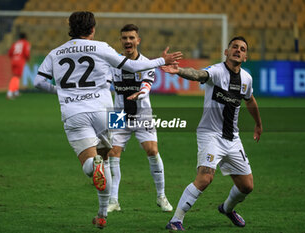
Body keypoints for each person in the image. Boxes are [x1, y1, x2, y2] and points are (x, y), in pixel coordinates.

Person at [33, 11, 182, 229]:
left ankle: (154, 194)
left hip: (78, 113)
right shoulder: (101, 48)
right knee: (106, 158)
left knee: (95, 164)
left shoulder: (56, 53)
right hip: (106, 112)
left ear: (70, 28)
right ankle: (104, 212)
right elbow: (131, 67)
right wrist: (161, 60)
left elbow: (38, 82)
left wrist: (59, 91)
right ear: (92, 29)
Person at [162, 36, 262, 231]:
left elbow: (249, 100)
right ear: (226, 51)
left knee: (247, 186)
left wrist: (258, 124)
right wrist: (179, 71)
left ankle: (226, 209)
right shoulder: (216, 71)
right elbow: (198, 74)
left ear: (246, 57)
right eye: (234, 47)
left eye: (242, 49)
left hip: (232, 138)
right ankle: (176, 220)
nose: (238, 50)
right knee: (205, 177)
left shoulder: (246, 79)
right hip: (210, 134)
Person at [107, 24, 173, 213]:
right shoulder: (114, 64)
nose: (128, 41)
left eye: (131, 38)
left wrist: (141, 94)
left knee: (152, 150)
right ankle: (114, 200)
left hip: (142, 113)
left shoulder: (147, 63)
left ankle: (161, 196)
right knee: (113, 153)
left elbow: (147, 85)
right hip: (119, 114)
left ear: (138, 40)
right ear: (121, 41)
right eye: (124, 38)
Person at [7, 32, 31, 99]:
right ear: (25, 37)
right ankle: (10, 92)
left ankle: (16, 92)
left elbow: (9, 53)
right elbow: (26, 53)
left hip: (13, 60)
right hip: (20, 61)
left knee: (16, 76)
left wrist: (14, 58)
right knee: (16, 77)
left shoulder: (15, 43)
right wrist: (28, 59)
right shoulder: (26, 43)